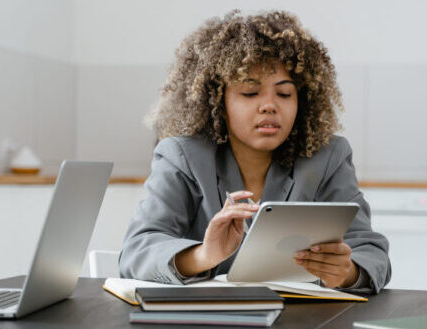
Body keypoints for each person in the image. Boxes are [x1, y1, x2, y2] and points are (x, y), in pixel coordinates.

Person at [119, 10, 391, 293]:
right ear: (218, 100)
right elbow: (137, 251)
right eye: (250, 93)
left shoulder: (328, 156)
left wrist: (347, 272)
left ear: (303, 100)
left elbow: (371, 252)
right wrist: (203, 255)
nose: (269, 105)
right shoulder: (182, 156)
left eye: (284, 94)